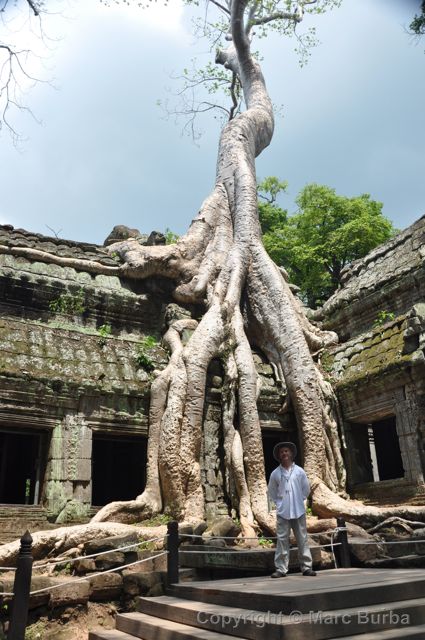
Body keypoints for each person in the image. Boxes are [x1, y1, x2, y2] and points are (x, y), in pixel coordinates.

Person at [267, 441, 316, 578]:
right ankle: (281, 569)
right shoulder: (275, 473)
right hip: (283, 512)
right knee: (282, 539)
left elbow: (306, 489)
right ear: (279, 455)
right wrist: (280, 503)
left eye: (286, 451)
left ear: (292, 454)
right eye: (282, 452)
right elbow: (271, 492)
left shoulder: (300, 471)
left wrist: (299, 500)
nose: (284, 453)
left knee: (302, 538)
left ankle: (306, 567)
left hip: (298, 510)